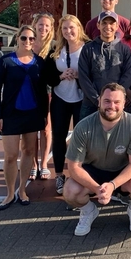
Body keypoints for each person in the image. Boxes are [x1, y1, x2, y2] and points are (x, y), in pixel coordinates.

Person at [63, 83, 131, 235]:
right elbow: (74, 167)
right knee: (70, 191)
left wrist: (112, 185)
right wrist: (97, 189)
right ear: (99, 102)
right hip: (93, 171)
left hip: (122, 172)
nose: (111, 106)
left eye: (117, 102)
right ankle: (88, 211)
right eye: (107, 101)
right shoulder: (83, 126)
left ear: (124, 103)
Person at [0, 25, 49, 210]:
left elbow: (43, 91)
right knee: (10, 155)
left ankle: (22, 189)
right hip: (10, 114)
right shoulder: (5, 61)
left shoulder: (39, 62)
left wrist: (44, 114)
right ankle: (10, 193)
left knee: (28, 152)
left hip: (32, 114)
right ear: (17, 38)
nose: (27, 42)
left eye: (31, 39)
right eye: (24, 38)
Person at [44, 14, 89, 195]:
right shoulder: (56, 49)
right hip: (61, 98)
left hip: (81, 98)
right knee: (59, 136)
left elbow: (94, 72)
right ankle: (60, 174)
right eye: (64, 28)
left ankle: (79, 173)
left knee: (81, 138)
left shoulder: (87, 48)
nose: (68, 31)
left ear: (79, 28)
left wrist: (79, 76)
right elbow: (47, 75)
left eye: (72, 27)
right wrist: (61, 76)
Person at [78, 11, 131, 120]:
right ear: (98, 25)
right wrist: (98, 100)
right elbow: (83, 77)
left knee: (116, 136)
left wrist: (115, 99)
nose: (108, 26)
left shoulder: (124, 50)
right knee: (87, 136)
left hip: (115, 106)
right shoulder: (88, 49)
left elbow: (127, 76)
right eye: (104, 23)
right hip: (91, 104)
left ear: (117, 26)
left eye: (112, 23)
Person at [31, 12, 55, 181]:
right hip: (29, 90)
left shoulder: (54, 46)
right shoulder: (27, 43)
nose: (43, 28)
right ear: (35, 25)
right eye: (41, 24)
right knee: (32, 129)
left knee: (45, 128)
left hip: (47, 91)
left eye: (47, 25)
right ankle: (33, 165)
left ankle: (44, 163)